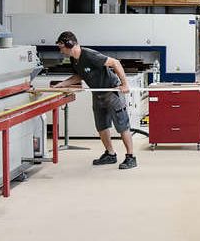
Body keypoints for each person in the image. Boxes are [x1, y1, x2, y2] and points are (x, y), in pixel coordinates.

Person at [52, 31, 137, 170]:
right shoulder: (74, 59)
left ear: (70, 44)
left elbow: (115, 63)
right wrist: (62, 84)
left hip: (111, 91)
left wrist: (125, 84)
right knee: (101, 126)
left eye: (61, 47)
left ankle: (131, 157)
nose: (61, 51)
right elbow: (79, 76)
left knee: (122, 125)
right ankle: (110, 154)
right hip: (97, 94)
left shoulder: (89, 55)